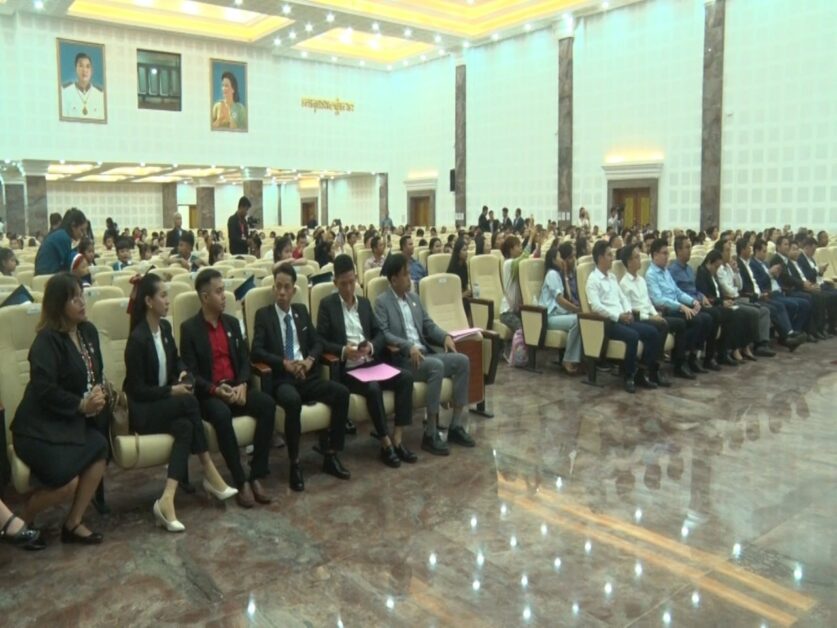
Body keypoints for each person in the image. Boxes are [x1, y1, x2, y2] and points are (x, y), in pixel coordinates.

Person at [124, 274, 237, 532]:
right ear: (149, 301)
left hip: (163, 404)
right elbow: (137, 391)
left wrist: (184, 373)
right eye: (163, 295)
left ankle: (166, 499)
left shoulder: (164, 329)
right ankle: (208, 469)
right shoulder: (137, 339)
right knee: (188, 402)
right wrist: (171, 391)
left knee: (185, 427)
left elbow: (176, 361)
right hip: (143, 410)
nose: (168, 300)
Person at [10, 273, 109, 545]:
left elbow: (95, 372)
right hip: (38, 427)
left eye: (81, 295)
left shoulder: (88, 332)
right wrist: (81, 404)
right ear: (58, 305)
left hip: (69, 422)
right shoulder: (46, 341)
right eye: (74, 298)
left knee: (100, 446)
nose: (82, 302)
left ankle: (73, 522)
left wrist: (97, 392)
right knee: (66, 483)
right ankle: (23, 520)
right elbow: (45, 390)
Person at [179, 269, 277, 508]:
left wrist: (243, 384)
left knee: (267, 405)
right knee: (222, 415)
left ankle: (256, 474)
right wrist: (215, 390)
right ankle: (240, 480)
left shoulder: (232, 323)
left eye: (224, 290)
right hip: (210, 394)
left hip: (236, 387)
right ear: (205, 297)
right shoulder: (189, 329)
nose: (225, 296)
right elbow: (191, 374)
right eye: (219, 291)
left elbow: (245, 361)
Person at [251, 264, 351, 489]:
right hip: (282, 379)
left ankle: (331, 454)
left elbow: (317, 342)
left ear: (294, 290)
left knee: (341, 393)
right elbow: (256, 351)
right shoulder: (264, 315)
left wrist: (310, 361)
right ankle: (295, 462)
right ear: (273, 288)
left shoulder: (301, 311)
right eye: (278, 287)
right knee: (292, 401)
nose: (281, 292)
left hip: (307, 374)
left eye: (286, 287)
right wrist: (284, 363)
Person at [316, 255, 414, 468]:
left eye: (352, 282)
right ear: (335, 282)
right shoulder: (327, 305)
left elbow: (379, 334)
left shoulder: (365, 304)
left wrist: (370, 346)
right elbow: (319, 341)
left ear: (356, 279)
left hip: (371, 363)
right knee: (373, 388)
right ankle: (385, 443)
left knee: (406, 378)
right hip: (349, 370)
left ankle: (398, 437)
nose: (349, 288)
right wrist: (344, 351)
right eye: (343, 284)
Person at [376, 253, 474, 455]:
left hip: (425, 354)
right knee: (436, 367)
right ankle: (430, 433)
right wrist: (407, 346)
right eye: (405, 274)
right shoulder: (382, 302)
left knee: (463, 361)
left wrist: (445, 336)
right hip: (404, 359)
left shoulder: (414, 298)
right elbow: (383, 334)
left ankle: (456, 426)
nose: (410, 278)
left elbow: (428, 325)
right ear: (393, 280)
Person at [585, 241, 662, 393]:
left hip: (623, 318)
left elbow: (623, 298)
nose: (612, 258)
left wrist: (628, 312)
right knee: (633, 336)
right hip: (609, 323)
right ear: (600, 258)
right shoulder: (593, 280)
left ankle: (641, 373)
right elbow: (596, 307)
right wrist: (618, 316)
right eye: (609, 255)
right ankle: (628, 376)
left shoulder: (612, 277)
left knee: (652, 332)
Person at [617, 244, 678, 385]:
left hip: (647, 315)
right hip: (637, 318)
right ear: (629, 262)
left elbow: (648, 302)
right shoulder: (624, 284)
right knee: (660, 327)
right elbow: (630, 309)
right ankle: (648, 370)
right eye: (637, 257)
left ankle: (650, 369)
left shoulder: (641, 280)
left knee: (662, 323)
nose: (640, 260)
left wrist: (656, 314)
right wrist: (651, 317)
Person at [668, 235, 723, 370]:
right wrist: (694, 300)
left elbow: (695, 289)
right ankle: (692, 356)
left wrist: (701, 296)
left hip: (696, 301)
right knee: (709, 316)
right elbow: (676, 293)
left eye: (690, 247)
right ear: (678, 250)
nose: (690, 250)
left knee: (715, 314)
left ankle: (704, 356)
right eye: (687, 247)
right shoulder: (672, 271)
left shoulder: (689, 269)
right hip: (685, 304)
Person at [714, 239, 776, 357]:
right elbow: (727, 290)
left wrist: (736, 272)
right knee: (752, 312)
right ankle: (741, 346)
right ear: (720, 253)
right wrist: (735, 290)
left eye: (730, 250)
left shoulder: (728, 267)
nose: (729, 254)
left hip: (737, 298)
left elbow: (739, 285)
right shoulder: (719, 269)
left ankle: (761, 344)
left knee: (763, 310)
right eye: (727, 251)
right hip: (729, 300)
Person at [695, 249, 757, 363]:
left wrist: (725, 300)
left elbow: (719, 293)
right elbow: (706, 295)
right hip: (709, 304)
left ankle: (735, 349)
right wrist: (721, 302)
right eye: (716, 266)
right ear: (709, 262)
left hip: (718, 303)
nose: (717, 269)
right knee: (731, 314)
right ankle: (724, 352)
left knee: (742, 314)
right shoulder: (702, 273)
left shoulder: (712, 274)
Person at [538, 243, 583, 375]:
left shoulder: (558, 274)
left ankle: (578, 359)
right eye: (559, 257)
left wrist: (565, 275)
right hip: (550, 317)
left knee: (583, 320)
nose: (562, 260)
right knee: (577, 320)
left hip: (559, 314)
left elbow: (568, 296)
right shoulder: (551, 274)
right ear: (553, 260)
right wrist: (576, 309)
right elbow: (560, 300)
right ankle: (568, 360)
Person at [34, 208, 87, 275]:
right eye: (82, 230)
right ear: (73, 226)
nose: (83, 234)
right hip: (48, 276)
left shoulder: (60, 234)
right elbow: (69, 267)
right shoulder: (63, 238)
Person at [61, 52, 105, 120]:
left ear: (92, 71)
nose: (84, 70)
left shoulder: (100, 94)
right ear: (76, 69)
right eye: (81, 66)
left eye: (88, 66)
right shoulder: (65, 92)